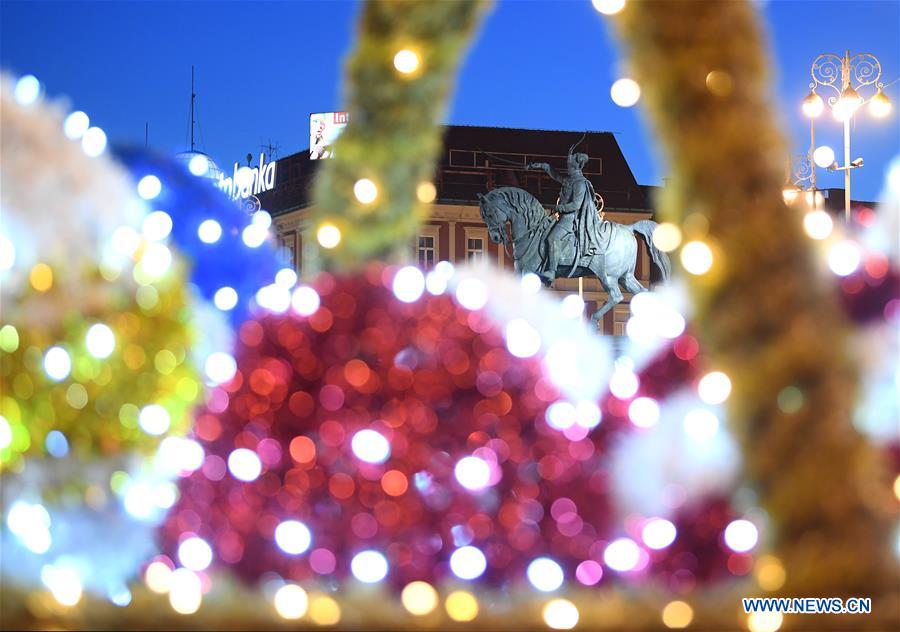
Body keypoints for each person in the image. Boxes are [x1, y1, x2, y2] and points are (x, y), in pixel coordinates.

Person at [528, 146, 609, 285]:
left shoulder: (580, 183)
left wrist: (559, 207)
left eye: (569, 166)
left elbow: (576, 205)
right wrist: (541, 165)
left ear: (576, 167)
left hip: (571, 220)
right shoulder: (569, 180)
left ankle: (552, 271)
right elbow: (554, 174)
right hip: (564, 217)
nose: (567, 168)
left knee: (552, 238)